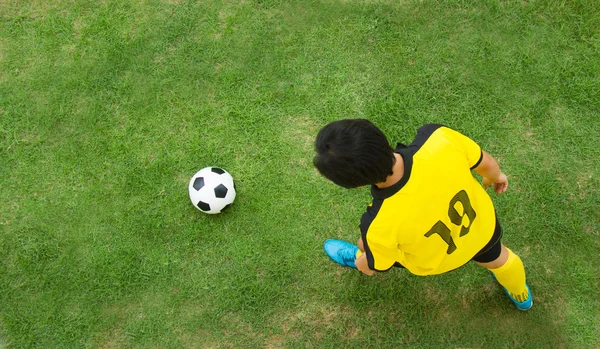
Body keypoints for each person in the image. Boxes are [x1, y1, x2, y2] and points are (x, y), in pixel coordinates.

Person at [313, 119, 532, 310]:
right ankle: (521, 295)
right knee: (502, 259)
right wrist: (496, 176)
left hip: (438, 261)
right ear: (378, 135)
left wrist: (365, 262)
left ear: (356, 185)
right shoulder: (437, 138)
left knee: (366, 246)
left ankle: (356, 257)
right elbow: (486, 162)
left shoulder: (377, 224)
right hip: (483, 229)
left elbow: (378, 266)